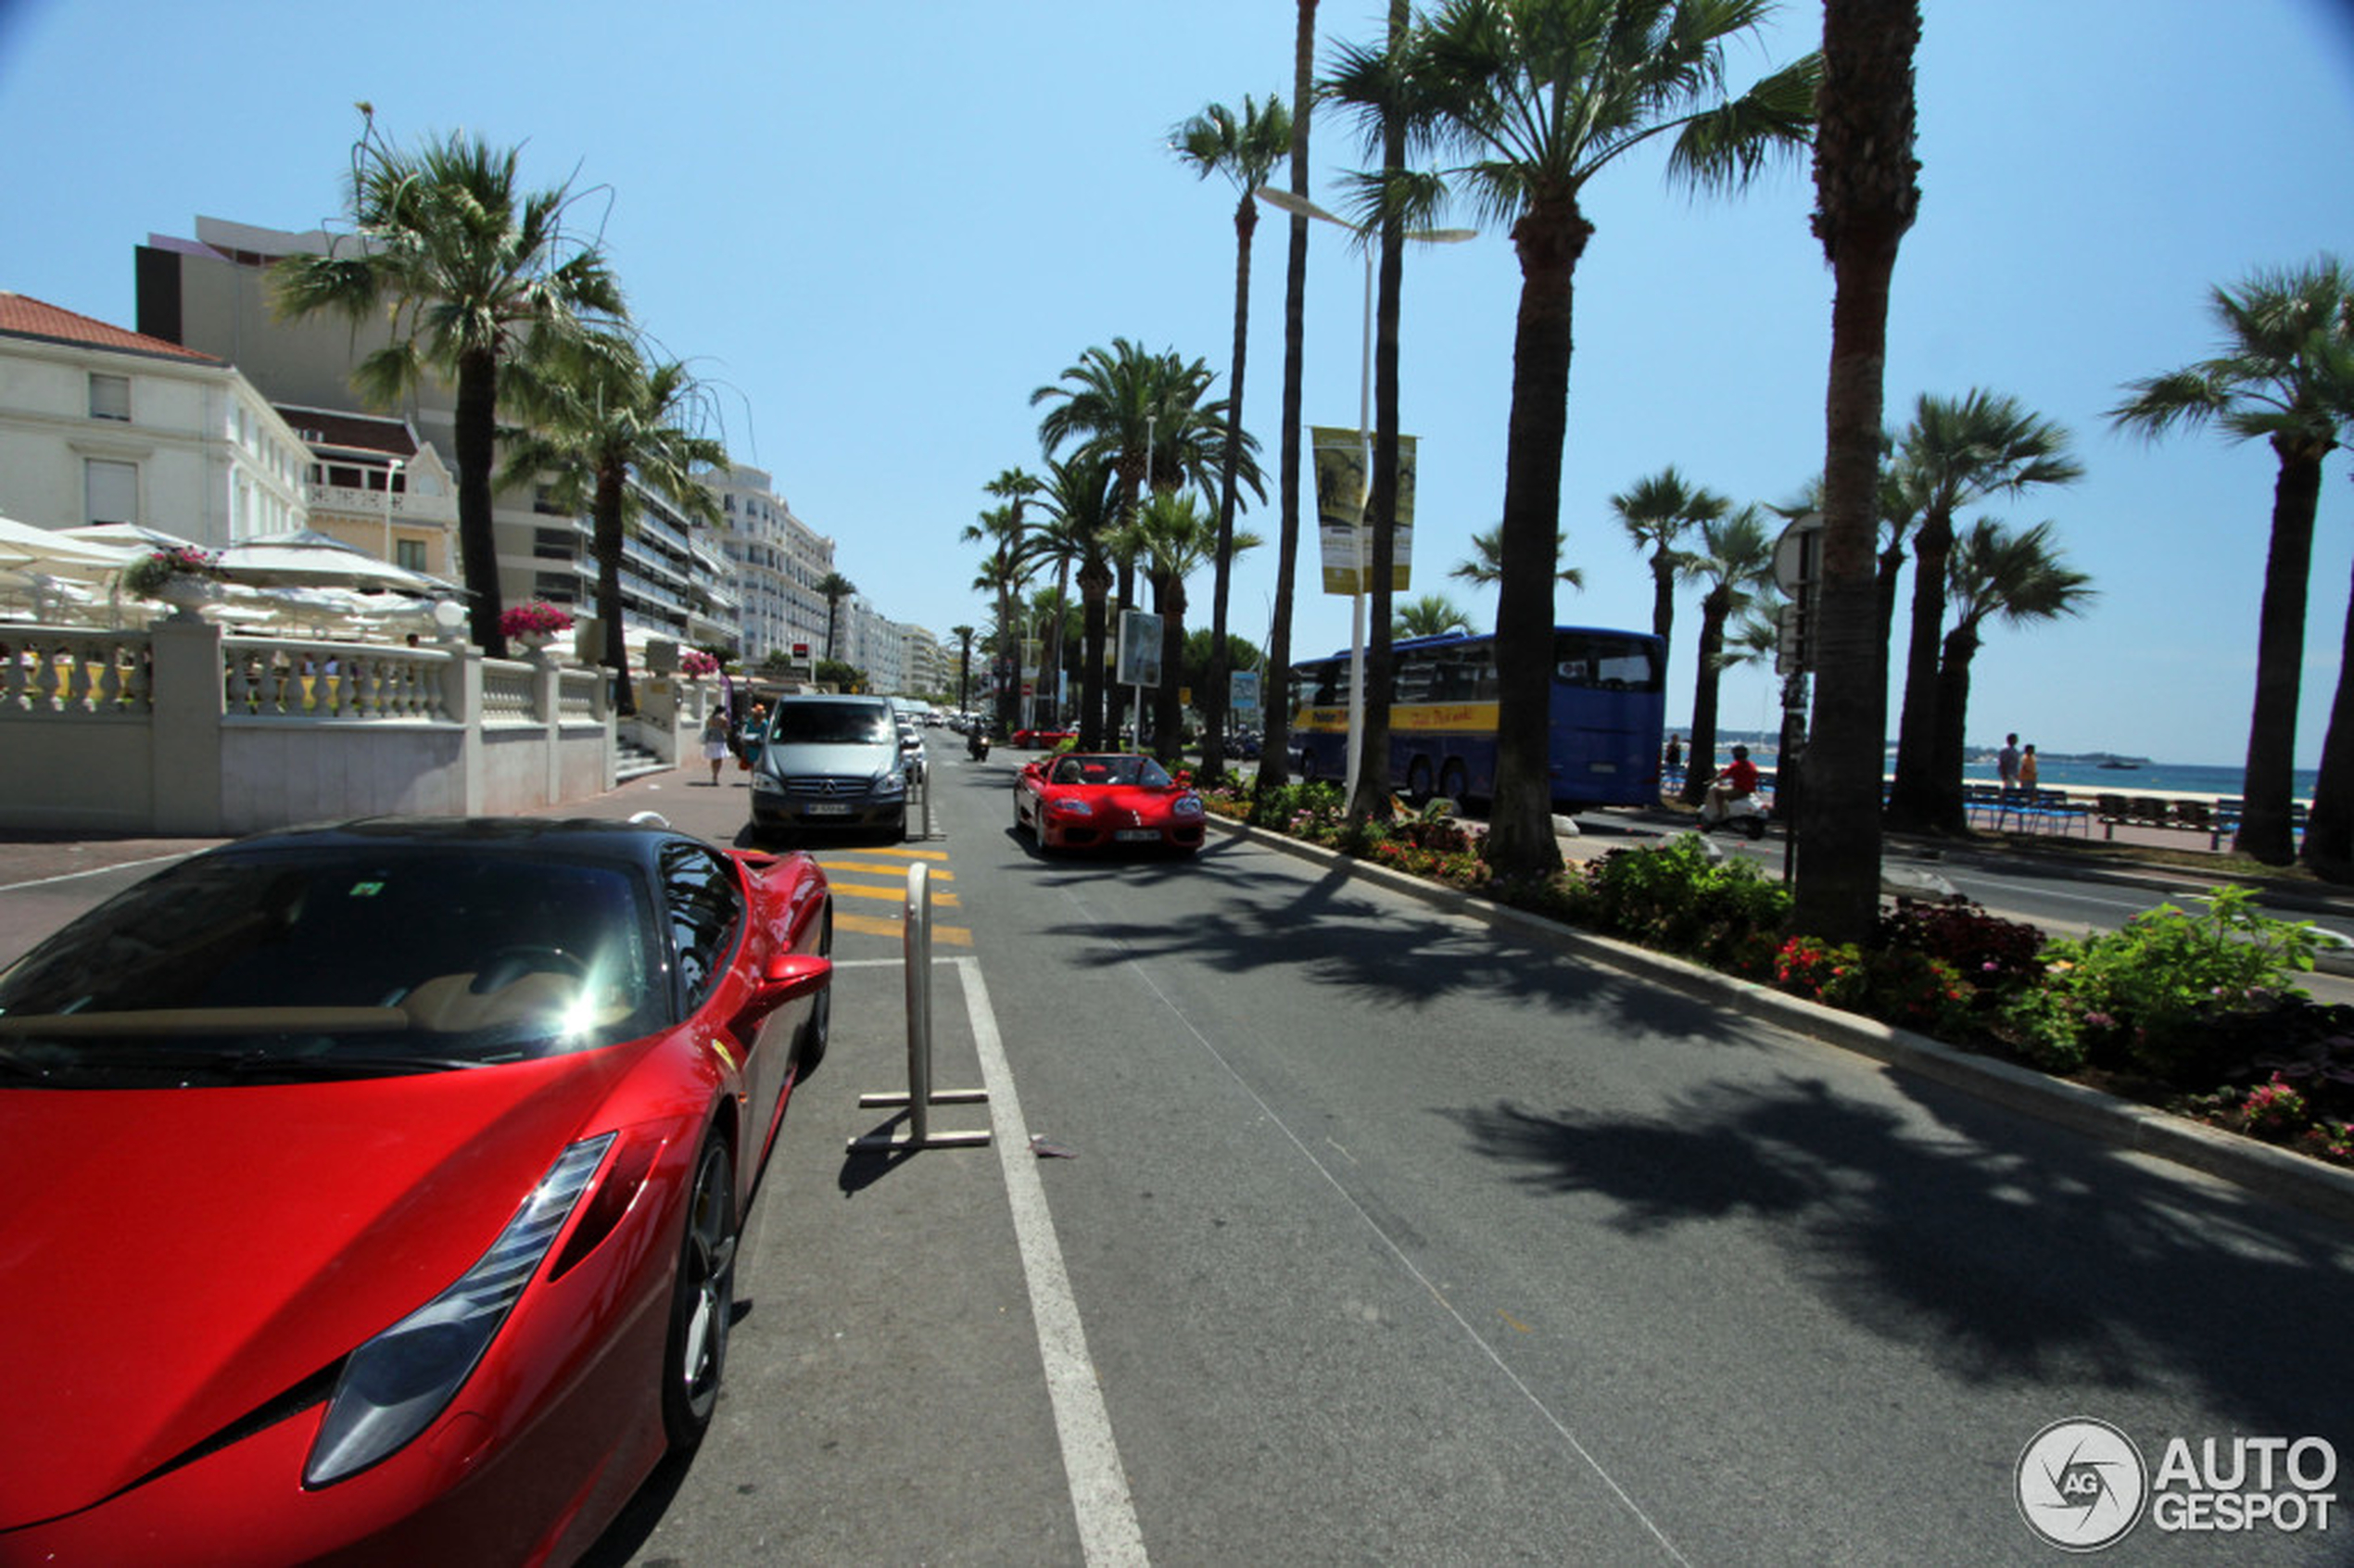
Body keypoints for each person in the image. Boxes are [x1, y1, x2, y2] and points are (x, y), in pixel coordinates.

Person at [1700, 744, 1761, 825]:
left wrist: (1711, 781)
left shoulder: (1736, 765)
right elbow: (1756, 775)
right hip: (1750, 789)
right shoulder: (1751, 764)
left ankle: (1720, 814)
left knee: (1717, 792)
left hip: (1739, 789)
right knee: (1725, 790)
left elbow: (1724, 775)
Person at [701, 707, 731, 786]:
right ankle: (716, 775)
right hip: (719, 740)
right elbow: (727, 729)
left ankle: (714, 774)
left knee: (713, 759)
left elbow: (707, 727)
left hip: (711, 740)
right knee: (719, 759)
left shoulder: (710, 718)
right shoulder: (723, 719)